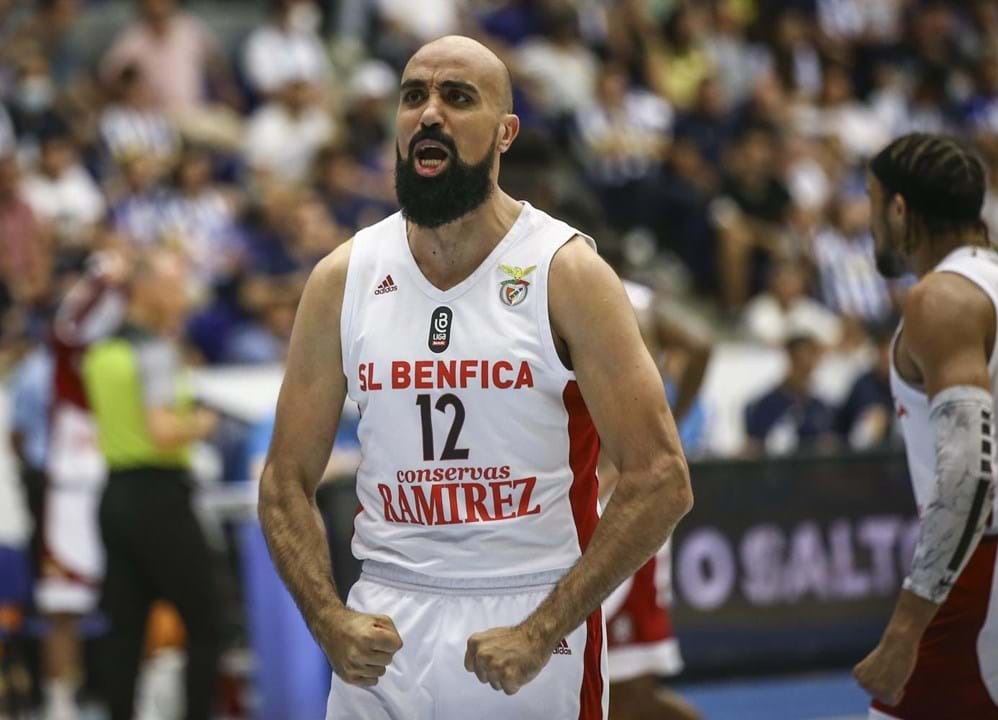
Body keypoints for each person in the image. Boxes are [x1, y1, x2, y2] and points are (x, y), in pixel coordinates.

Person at [257, 35, 693, 719]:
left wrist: (544, 629)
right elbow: (284, 482)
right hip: (384, 622)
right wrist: (326, 617)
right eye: (413, 97)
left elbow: (662, 478)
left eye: (457, 98)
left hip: (525, 616)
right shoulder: (343, 277)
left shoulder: (568, 272)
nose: (429, 114)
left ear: (505, 133)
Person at [854, 133, 998, 719]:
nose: (869, 220)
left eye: (873, 202)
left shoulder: (941, 299)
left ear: (899, 209)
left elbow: (968, 475)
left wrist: (908, 624)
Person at [83, 249, 223, 720]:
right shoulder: (156, 350)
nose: (182, 294)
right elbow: (163, 430)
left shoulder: (102, 351)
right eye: (173, 283)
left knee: (125, 631)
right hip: (159, 498)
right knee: (207, 623)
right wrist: (202, 424)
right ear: (143, 288)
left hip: (115, 495)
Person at [600, 279, 707, 720]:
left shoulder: (587, 292)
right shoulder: (640, 299)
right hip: (626, 480)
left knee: (625, 692)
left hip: (617, 491)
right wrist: (674, 421)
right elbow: (701, 344)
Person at [35, 253, 127, 720]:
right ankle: (59, 705)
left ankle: (136, 697)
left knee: (134, 600)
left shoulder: (130, 348)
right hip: (74, 485)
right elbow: (69, 329)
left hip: (119, 479)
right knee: (64, 605)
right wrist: (102, 276)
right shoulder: (68, 346)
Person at [743, 334, 836, 457]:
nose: (808, 366)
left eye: (814, 358)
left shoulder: (820, 407)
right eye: (801, 361)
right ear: (790, 358)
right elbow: (754, 446)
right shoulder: (765, 405)